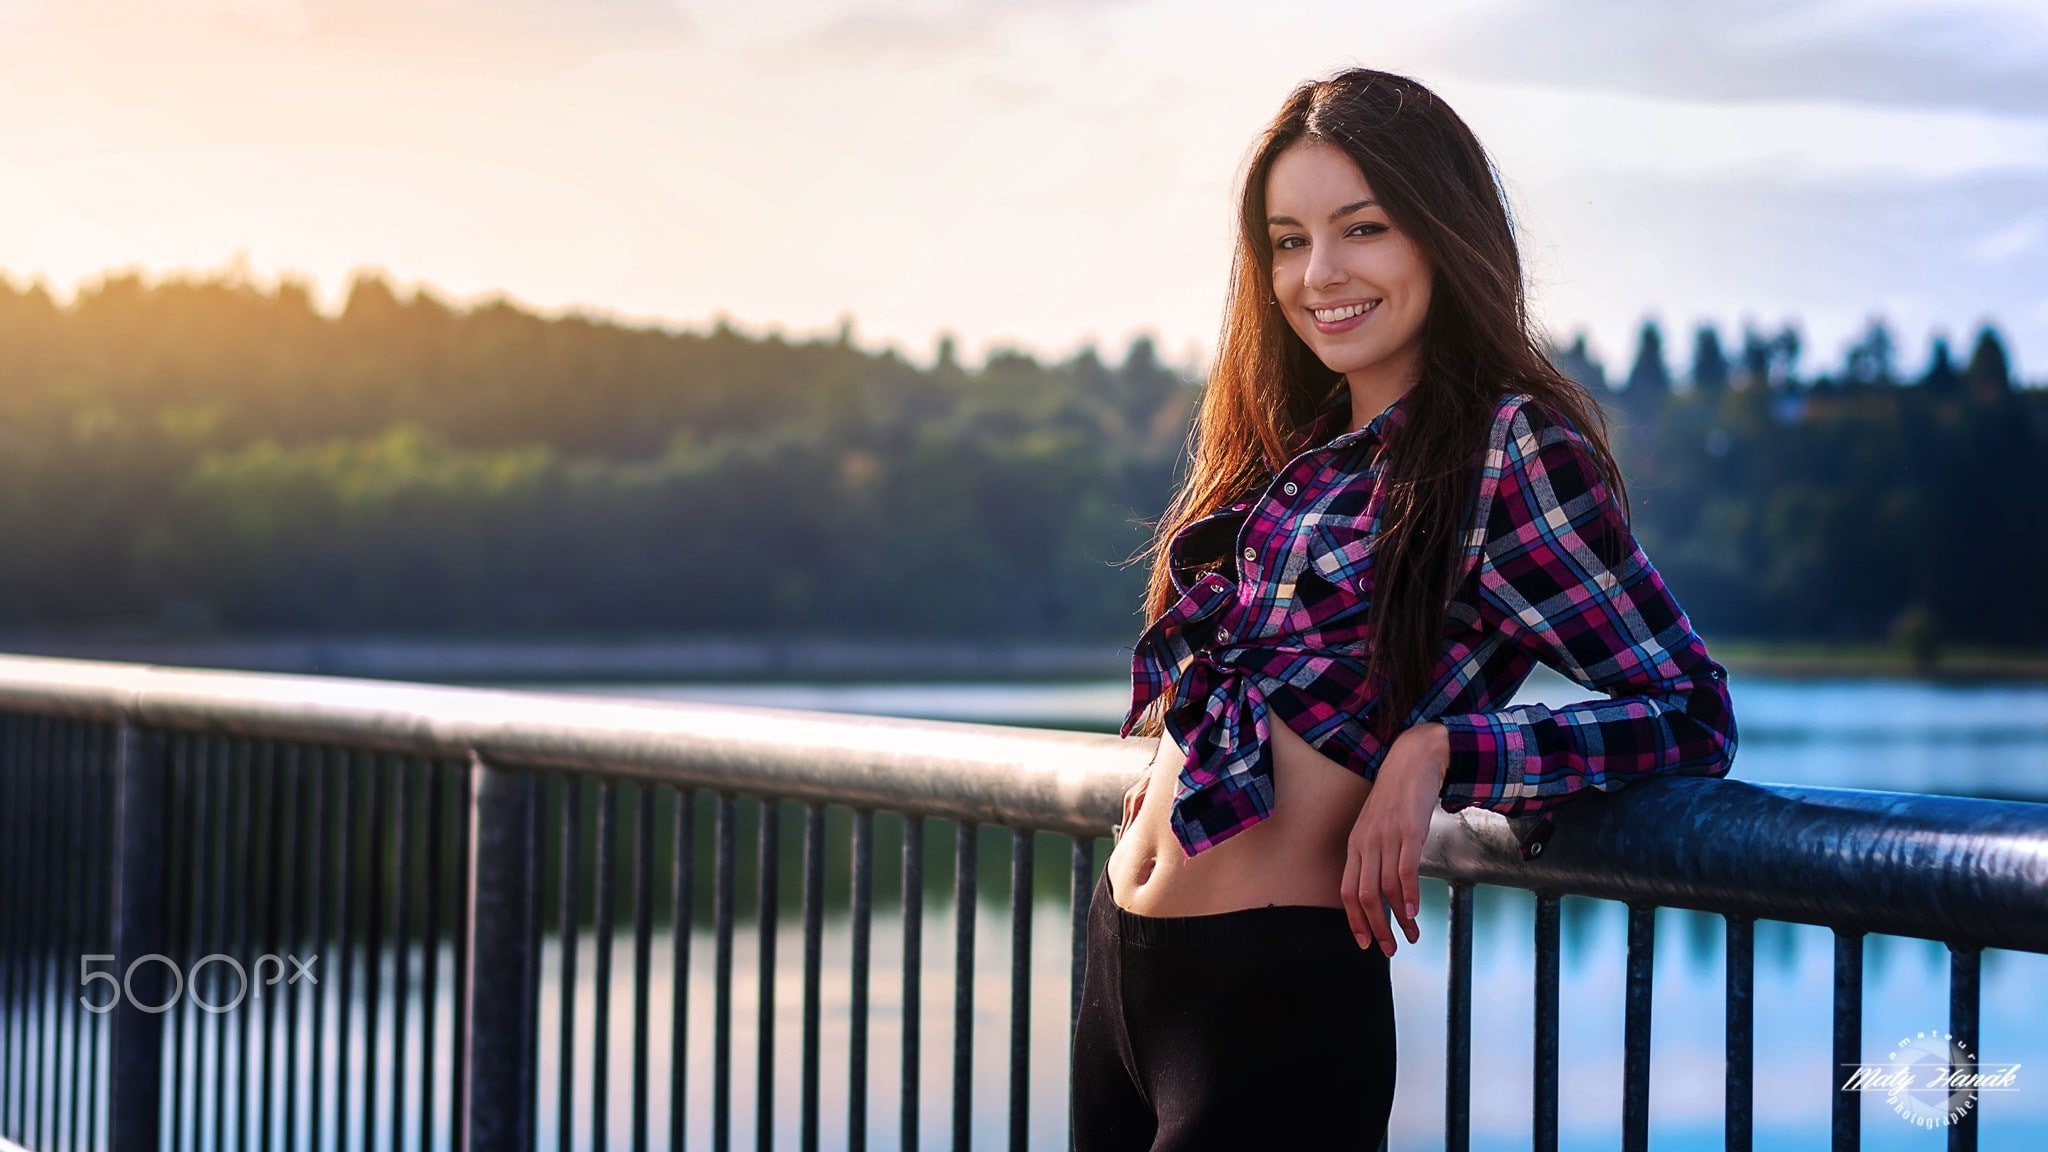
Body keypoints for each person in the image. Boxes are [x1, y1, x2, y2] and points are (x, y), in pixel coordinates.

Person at [1068, 68, 1739, 1150]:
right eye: (1287, 241)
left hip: (1271, 995)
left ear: (1439, 233)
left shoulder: (1505, 448)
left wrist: (1439, 754)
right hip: (1124, 966)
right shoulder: (1286, 445)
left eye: (1360, 229)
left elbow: (1686, 712)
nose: (1317, 273)